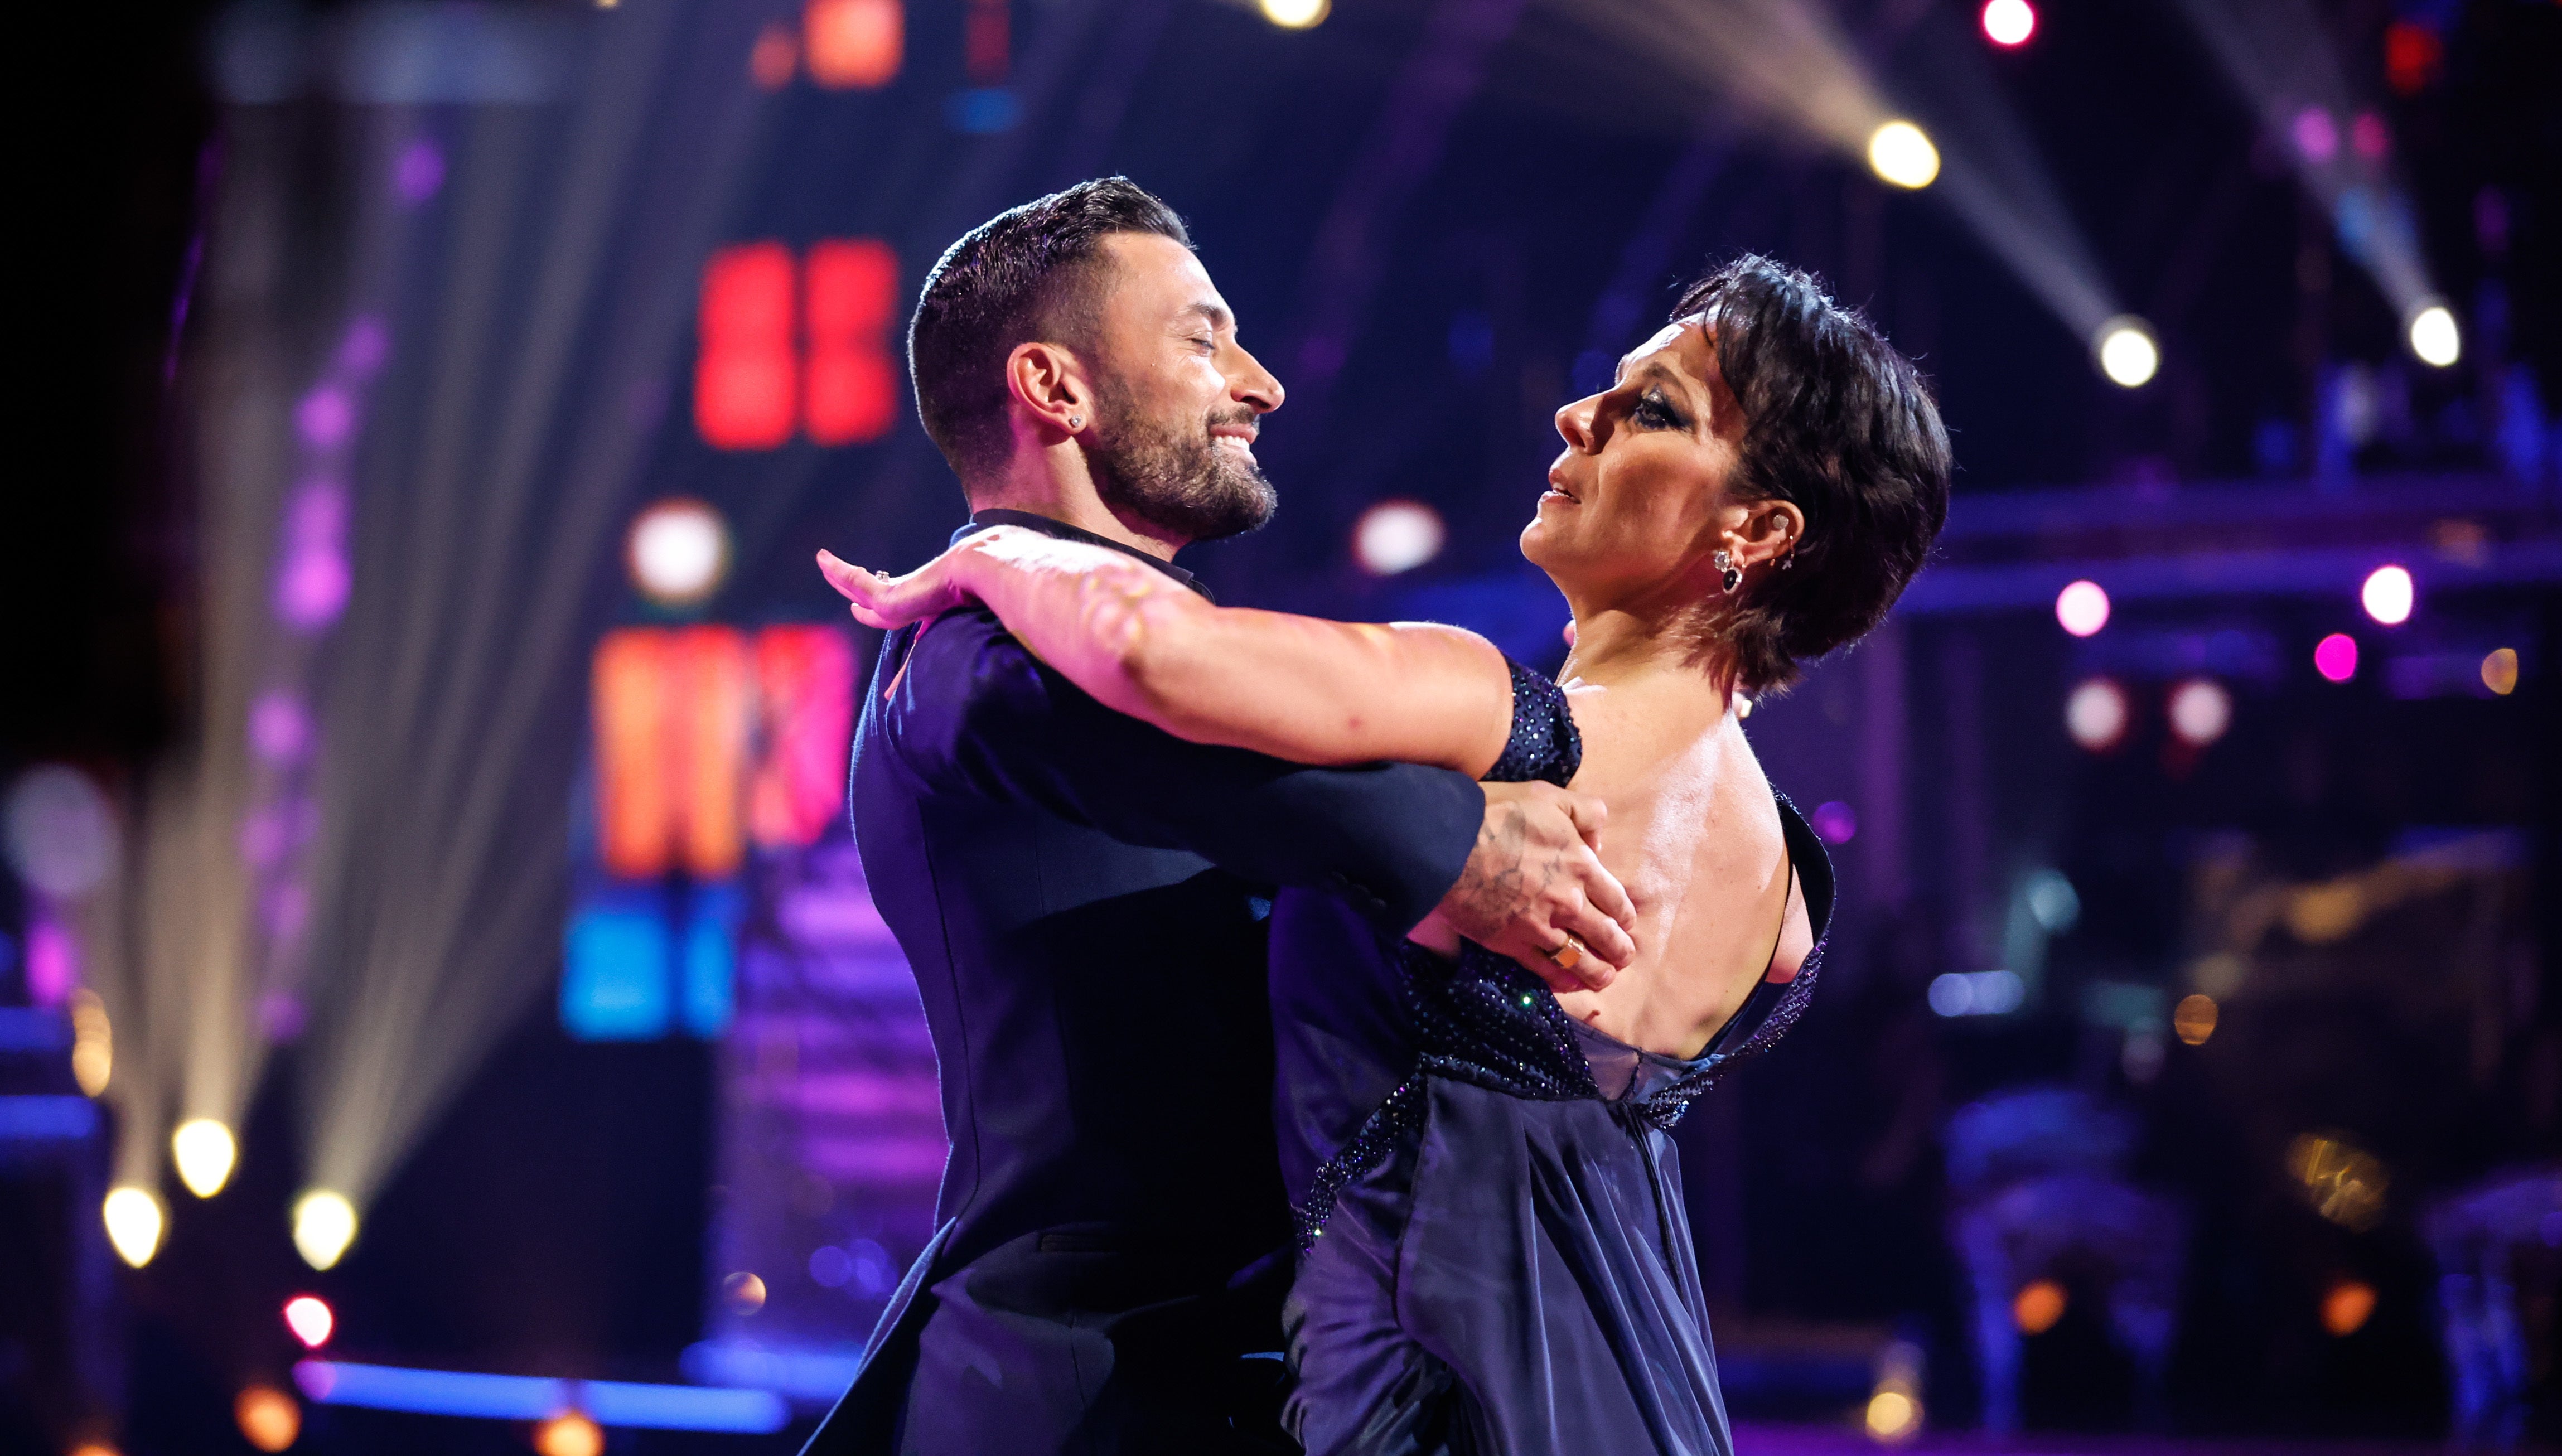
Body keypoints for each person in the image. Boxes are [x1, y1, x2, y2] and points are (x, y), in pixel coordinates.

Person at [824, 253, 1951, 1454]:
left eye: (1652, 411)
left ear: (1756, 532)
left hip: (1438, 1404)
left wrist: (988, 554)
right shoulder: (1784, 892)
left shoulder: (1497, 719)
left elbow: (1154, 653)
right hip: (1642, 1396)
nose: (1580, 416)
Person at [803, 179, 1643, 1456]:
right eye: (1201, 338)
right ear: (1055, 387)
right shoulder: (967, 661)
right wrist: (1453, 845)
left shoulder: (1224, 680)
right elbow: (1166, 751)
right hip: (1082, 1391)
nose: (1260, 383)